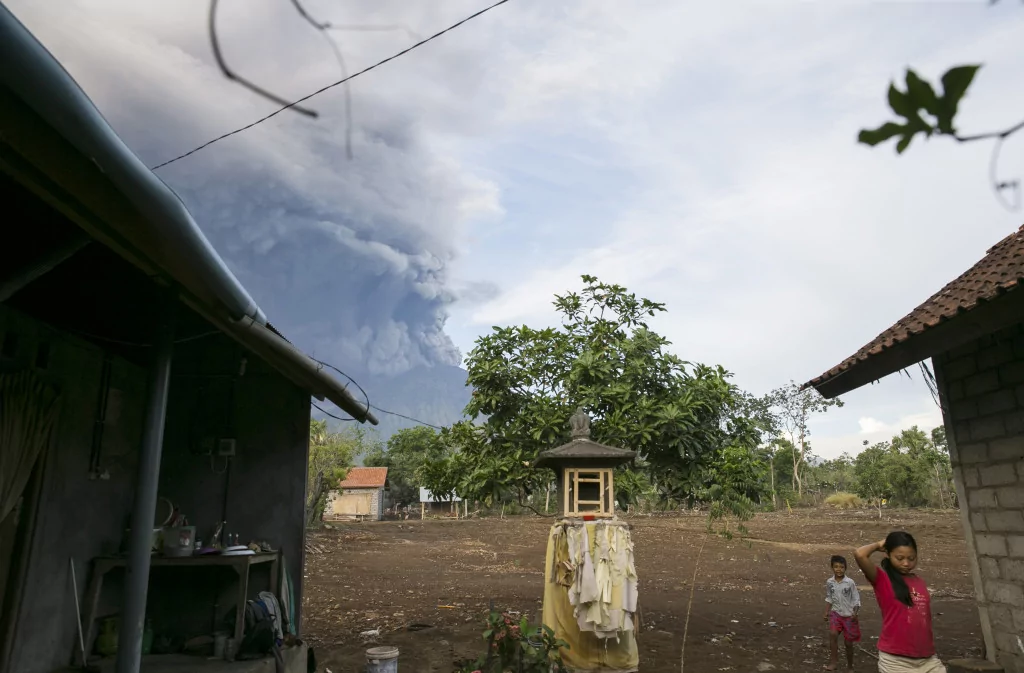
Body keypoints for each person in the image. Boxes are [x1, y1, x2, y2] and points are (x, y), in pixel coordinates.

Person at [854, 532, 946, 673]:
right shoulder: (882, 579)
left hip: (927, 658)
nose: (906, 563)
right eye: (900, 558)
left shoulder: (919, 582)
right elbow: (860, 554)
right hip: (896, 661)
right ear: (889, 555)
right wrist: (879, 545)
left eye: (911, 558)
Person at [824, 554, 861, 671]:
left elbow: (856, 598)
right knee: (833, 635)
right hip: (836, 614)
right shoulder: (830, 582)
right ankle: (833, 662)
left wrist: (855, 612)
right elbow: (829, 597)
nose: (839, 569)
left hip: (849, 616)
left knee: (848, 643)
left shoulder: (849, 583)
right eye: (836, 567)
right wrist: (826, 612)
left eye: (841, 567)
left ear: (845, 568)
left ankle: (850, 666)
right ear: (832, 567)